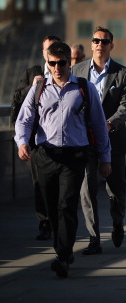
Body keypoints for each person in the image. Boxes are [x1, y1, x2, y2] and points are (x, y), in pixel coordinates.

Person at [14, 41, 111, 278]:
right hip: (46, 155)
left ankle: (62, 255)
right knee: (51, 207)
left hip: (74, 156)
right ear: (47, 63)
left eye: (62, 63)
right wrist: (22, 142)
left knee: (66, 205)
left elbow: (99, 125)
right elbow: (24, 119)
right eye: (52, 63)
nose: (57, 68)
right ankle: (64, 252)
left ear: (70, 62)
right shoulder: (38, 89)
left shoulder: (84, 88)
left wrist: (105, 158)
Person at [71, 26, 126, 255]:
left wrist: (109, 124)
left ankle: (117, 223)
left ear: (111, 45)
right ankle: (94, 238)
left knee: (115, 190)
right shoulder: (76, 71)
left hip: (113, 140)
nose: (100, 44)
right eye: (96, 40)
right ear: (91, 44)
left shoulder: (123, 73)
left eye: (104, 41)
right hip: (83, 141)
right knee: (86, 191)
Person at [10, 35, 62, 241]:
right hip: (37, 141)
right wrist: (31, 87)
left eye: (55, 49)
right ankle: (44, 222)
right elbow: (17, 99)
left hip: (64, 141)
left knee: (63, 185)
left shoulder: (66, 70)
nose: (52, 54)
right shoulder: (33, 73)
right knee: (40, 183)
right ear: (43, 53)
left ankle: (61, 220)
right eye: (48, 49)